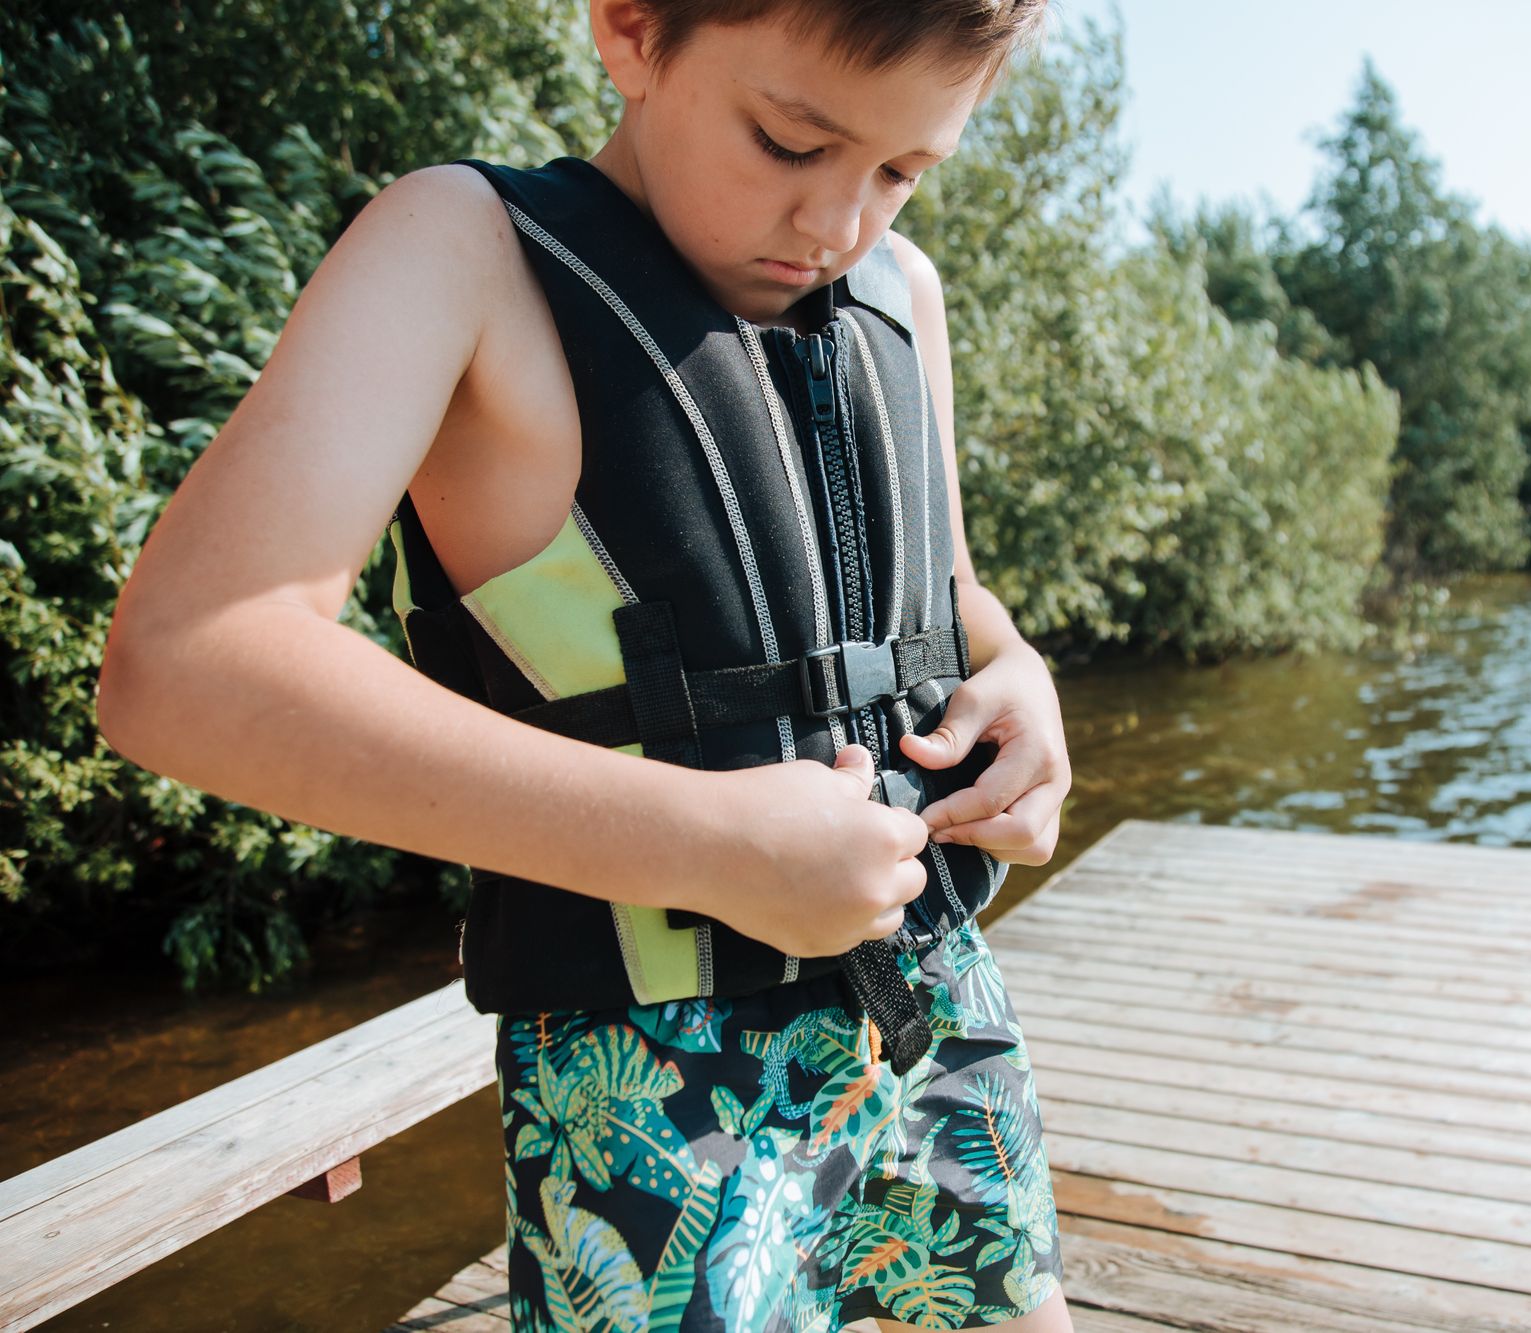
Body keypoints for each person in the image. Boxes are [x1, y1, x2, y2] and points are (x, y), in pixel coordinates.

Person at [95, 1, 1073, 1328]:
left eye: (905, 173)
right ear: (628, 27)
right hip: (651, 1077)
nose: (843, 224)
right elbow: (184, 660)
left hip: (938, 997)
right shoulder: (462, 256)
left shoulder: (909, 298)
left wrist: (1015, 670)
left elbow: (942, 597)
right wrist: (711, 842)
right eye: (790, 141)